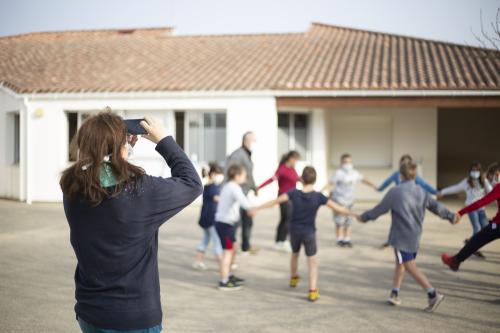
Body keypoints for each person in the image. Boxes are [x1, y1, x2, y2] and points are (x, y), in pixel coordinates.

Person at [60, 112, 203, 333]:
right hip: (133, 317)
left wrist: (117, 145)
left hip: (90, 312)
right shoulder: (141, 192)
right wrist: (164, 141)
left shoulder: (72, 187)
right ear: (119, 148)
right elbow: (192, 183)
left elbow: (104, 175)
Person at [356, 161, 459, 313]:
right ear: (414, 174)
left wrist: (364, 217)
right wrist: (450, 216)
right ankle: (395, 293)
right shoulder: (422, 191)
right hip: (415, 236)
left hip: (401, 237)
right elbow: (436, 207)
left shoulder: (395, 192)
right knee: (401, 263)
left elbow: (379, 210)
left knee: (409, 265)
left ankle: (433, 294)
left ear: (400, 174)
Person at [256, 166, 354, 302]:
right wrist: (356, 214)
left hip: (294, 230)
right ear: (315, 180)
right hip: (309, 233)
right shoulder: (319, 196)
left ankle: (293, 277)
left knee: (294, 255)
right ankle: (312, 291)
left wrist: (257, 208)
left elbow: (275, 201)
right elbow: (339, 208)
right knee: (312, 261)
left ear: (301, 179)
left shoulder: (293, 193)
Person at [442, 162, 500, 272]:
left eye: (490, 178)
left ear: (497, 175)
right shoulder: (468, 182)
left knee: (478, 238)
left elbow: (481, 202)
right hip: (495, 223)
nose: (491, 183)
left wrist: (461, 212)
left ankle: (455, 261)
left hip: (497, 225)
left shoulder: (499, 187)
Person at [377, 154, 438, 249]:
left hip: (411, 203)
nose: (404, 164)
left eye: (407, 162)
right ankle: (391, 241)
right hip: (398, 202)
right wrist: (379, 189)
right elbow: (387, 182)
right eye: (403, 162)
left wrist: (436, 192)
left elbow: (425, 185)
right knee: (395, 222)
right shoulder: (396, 174)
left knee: (411, 222)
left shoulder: (414, 176)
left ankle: (410, 240)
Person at [215, 164, 256, 290]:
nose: (245, 177)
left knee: (233, 247)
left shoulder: (228, 186)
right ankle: (224, 281)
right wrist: (252, 209)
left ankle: (229, 275)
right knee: (227, 251)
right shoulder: (234, 187)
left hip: (226, 224)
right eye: (244, 175)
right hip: (225, 224)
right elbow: (244, 202)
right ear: (237, 176)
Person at [322, 153, 377, 247]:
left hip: (350, 201)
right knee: (339, 221)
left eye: (349, 162)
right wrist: (321, 191)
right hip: (339, 201)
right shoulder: (338, 173)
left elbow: (363, 179)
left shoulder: (354, 173)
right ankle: (339, 239)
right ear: (341, 163)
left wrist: (374, 185)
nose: (348, 164)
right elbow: (330, 183)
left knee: (348, 221)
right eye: (345, 162)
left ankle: (347, 239)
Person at [257, 150, 301, 252]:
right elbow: (272, 179)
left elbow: (297, 179)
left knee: (285, 219)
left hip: (292, 198)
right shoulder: (282, 169)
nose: (296, 162)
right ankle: (283, 241)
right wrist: (259, 187)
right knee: (287, 219)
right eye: (296, 160)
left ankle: (280, 241)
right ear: (291, 159)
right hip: (283, 197)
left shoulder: (292, 169)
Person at [225, 132, 259, 254]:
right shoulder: (237, 155)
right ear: (246, 141)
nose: (254, 144)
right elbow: (228, 172)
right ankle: (228, 248)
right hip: (238, 194)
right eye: (253, 141)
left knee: (247, 220)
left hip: (243, 192)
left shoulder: (246, 154)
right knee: (235, 223)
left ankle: (244, 246)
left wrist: (254, 187)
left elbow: (249, 174)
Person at [193, 163, 225, 270]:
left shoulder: (207, 186)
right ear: (213, 174)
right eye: (219, 174)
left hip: (205, 218)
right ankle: (223, 267)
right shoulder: (213, 187)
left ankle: (198, 261)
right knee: (217, 241)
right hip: (211, 219)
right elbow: (217, 199)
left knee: (206, 239)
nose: (221, 176)